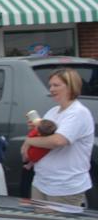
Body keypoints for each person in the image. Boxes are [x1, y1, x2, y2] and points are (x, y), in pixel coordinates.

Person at [22, 68, 95, 207]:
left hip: (65, 187)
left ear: (70, 86)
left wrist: (29, 140)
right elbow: (41, 137)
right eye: (50, 85)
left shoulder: (78, 113)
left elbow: (58, 141)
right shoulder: (52, 112)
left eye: (56, 85)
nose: (51, 89)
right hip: (41, 183)